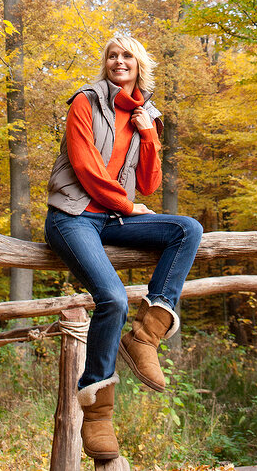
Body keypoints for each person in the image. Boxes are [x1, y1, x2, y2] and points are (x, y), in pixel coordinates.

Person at [44, 34, 203, 461]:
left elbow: (149, 182)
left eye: (127, 55)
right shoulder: (86, 102)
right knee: (112, 297)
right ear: (106, 65)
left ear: (139, 65)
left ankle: (147, 335)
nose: (118, 61)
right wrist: (128, 205)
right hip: (73, 215)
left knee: (186, 229)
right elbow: (86, 167)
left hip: (113, 218)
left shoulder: (142, 114)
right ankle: (96, 414)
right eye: (112, 56)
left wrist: (148, 133)